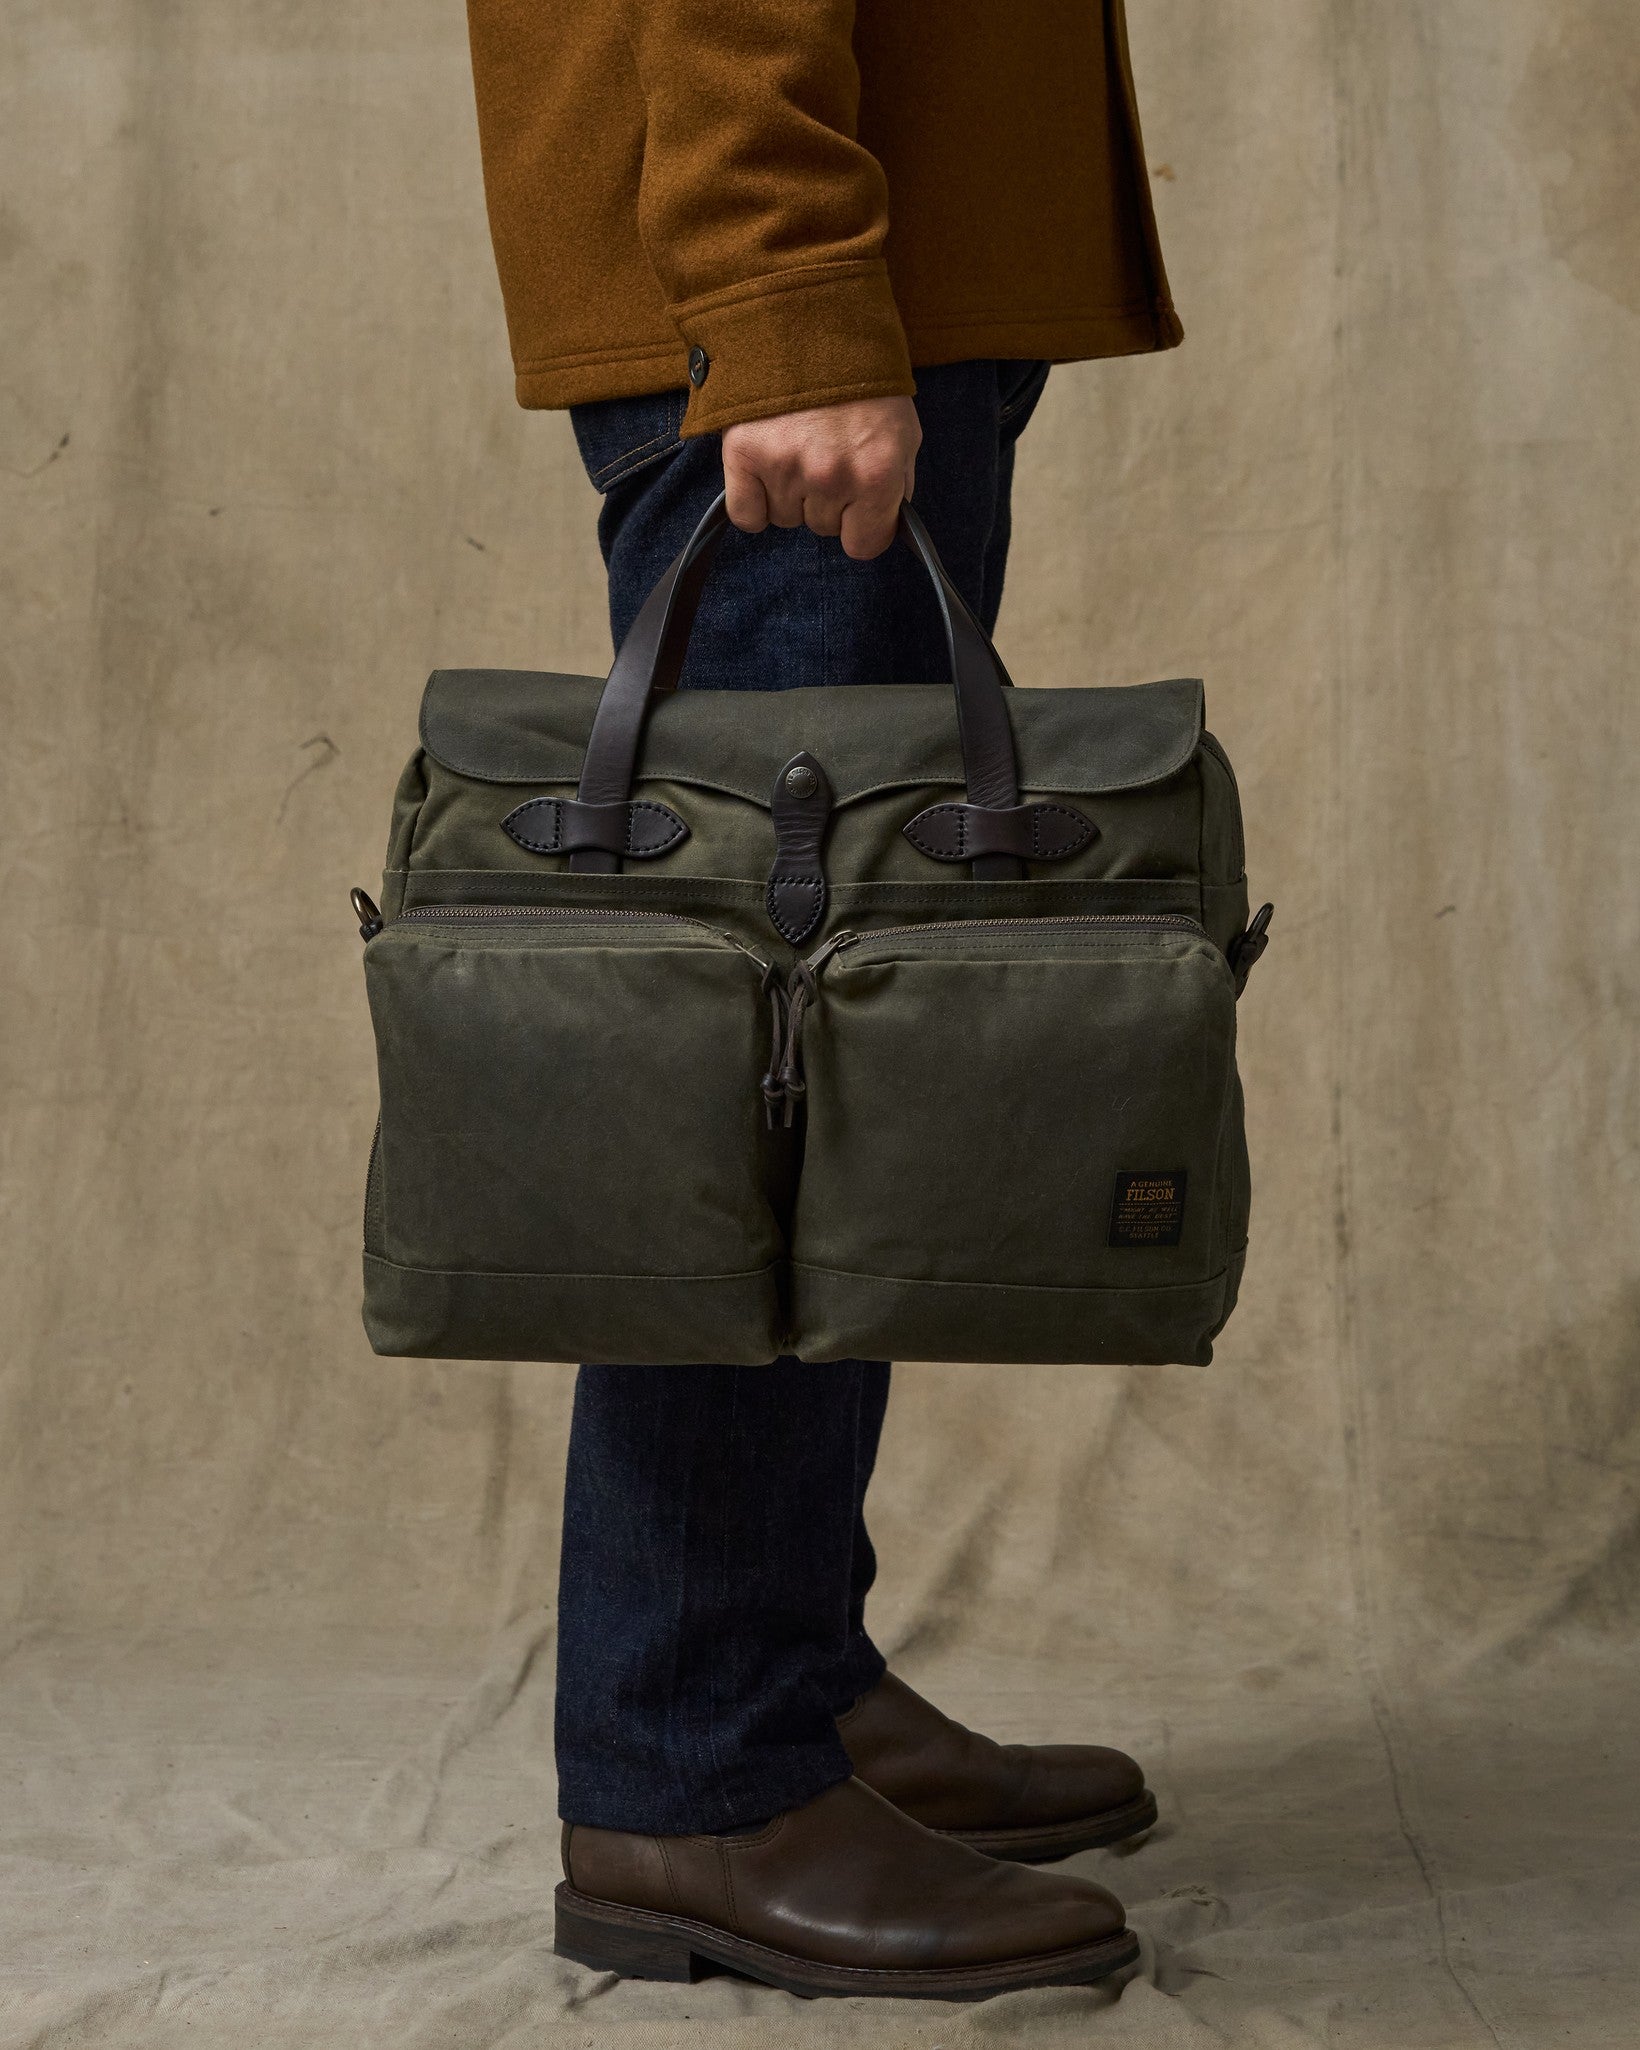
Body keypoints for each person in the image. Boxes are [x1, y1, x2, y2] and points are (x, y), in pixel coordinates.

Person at [463, 0, 1183, 2002]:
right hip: (803, 282)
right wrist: (782, 282)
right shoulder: (792, 290)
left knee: (837, 1054)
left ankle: (787, 1675)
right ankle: (694, 1766)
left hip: (894, 255)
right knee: (756, 1071)